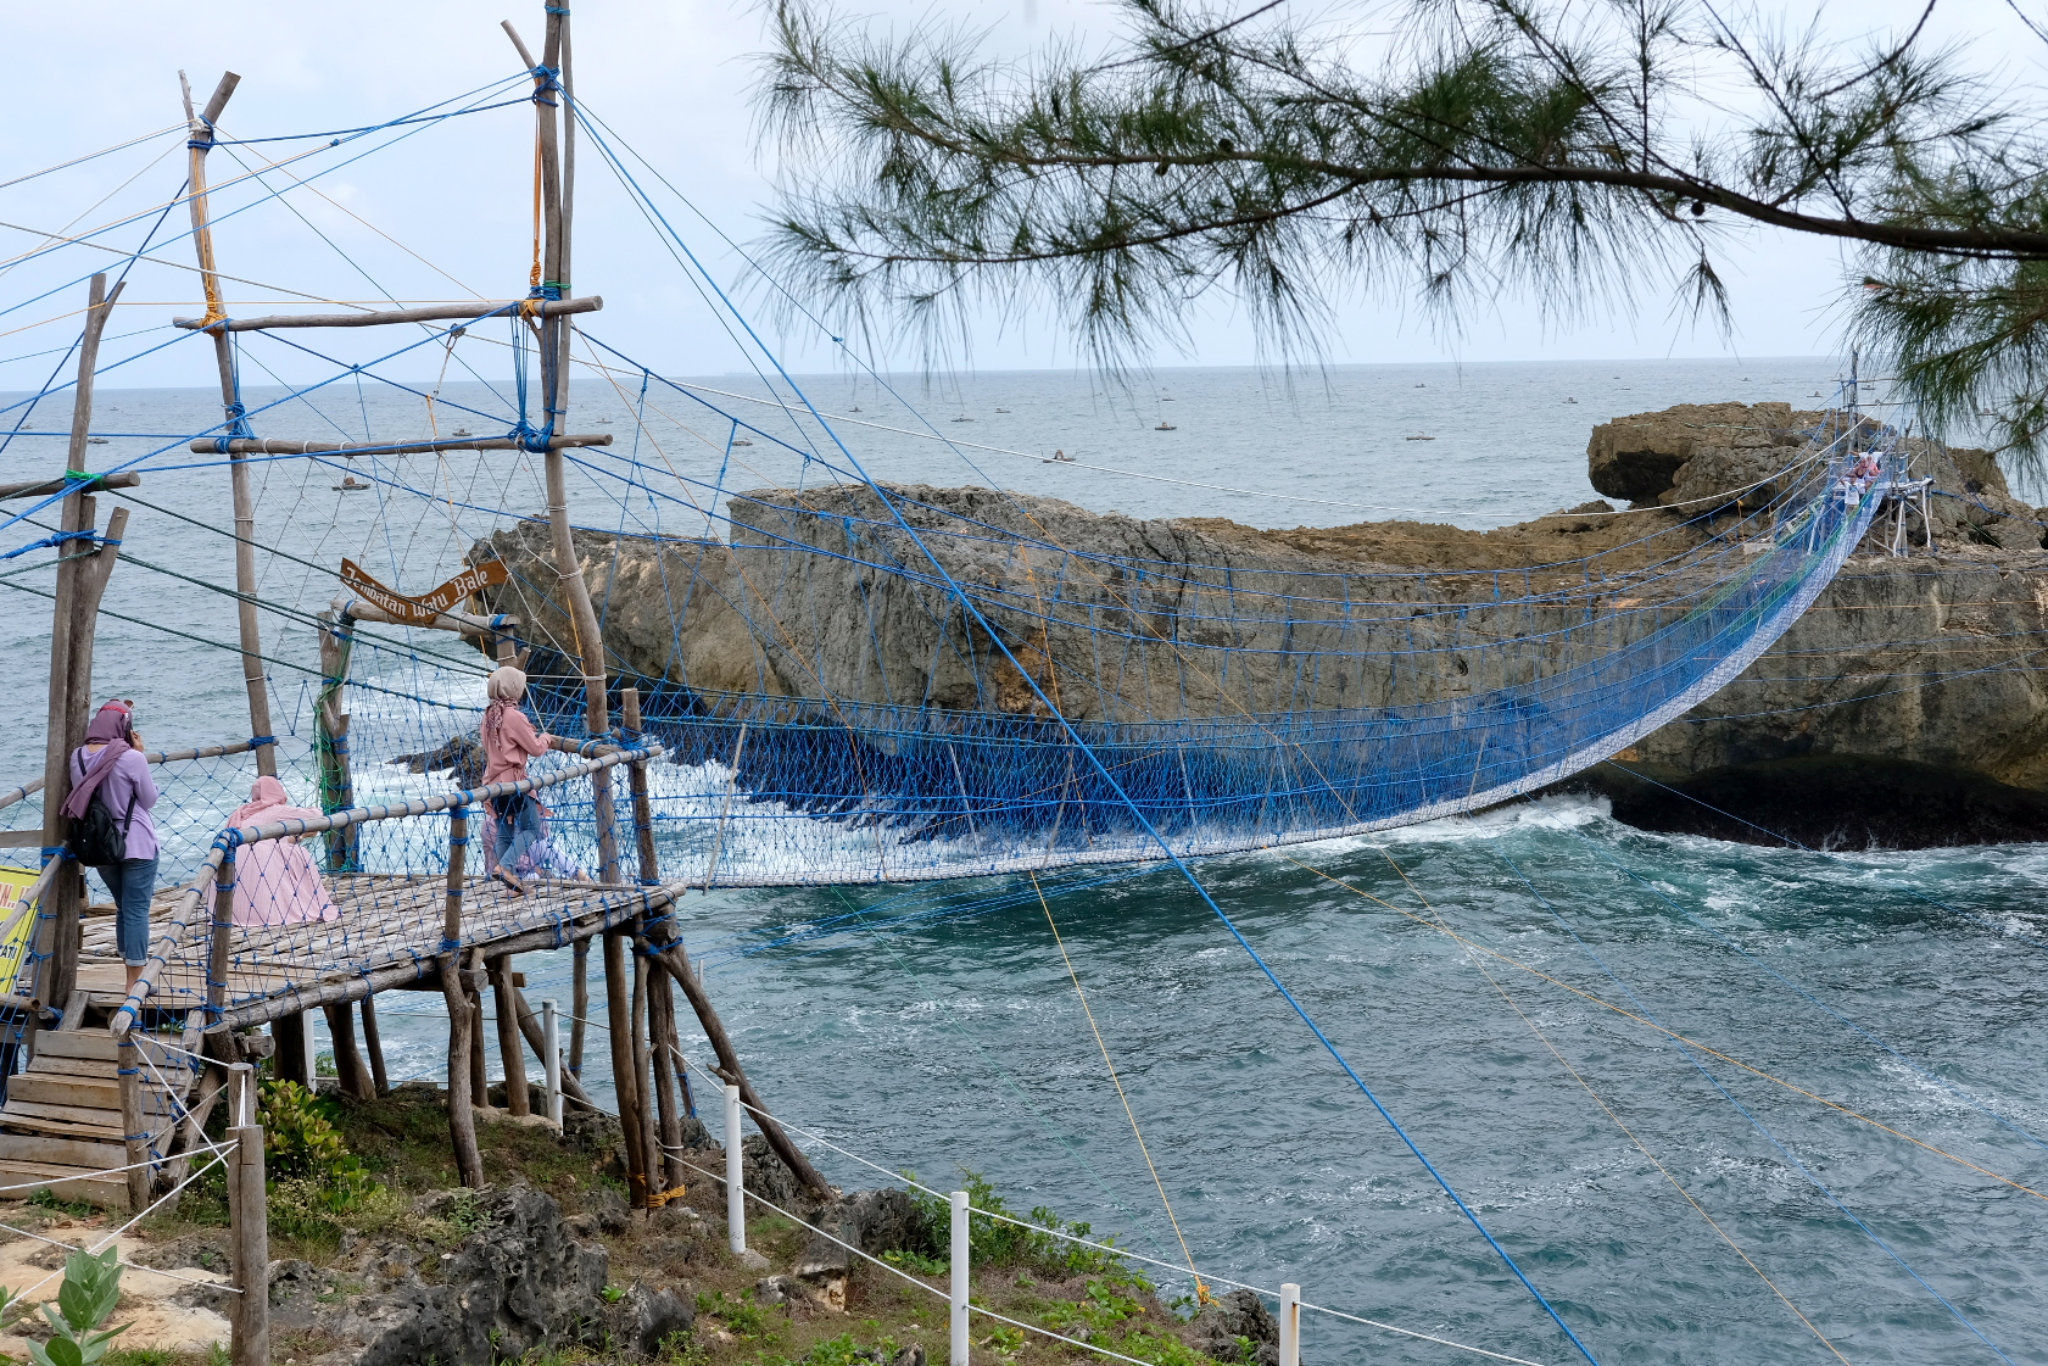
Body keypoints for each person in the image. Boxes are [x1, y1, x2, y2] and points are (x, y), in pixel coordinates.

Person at [62, 700, 157, 993]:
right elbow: (149, 799)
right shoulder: (131, 758)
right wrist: (140, 754)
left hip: (99, 845)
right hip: (137, 843)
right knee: (137, 910)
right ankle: (135, 982)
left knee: (123, 907)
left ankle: (129, 970)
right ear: (124, 727)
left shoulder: (77, 758)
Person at [220, 776, 340, 927]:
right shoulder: (276, 810)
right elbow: (315, 816)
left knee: (286, 845)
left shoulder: (243, 813)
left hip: (231, 872)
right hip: (261, 864)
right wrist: (313, 810)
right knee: (299, 852)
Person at [482, 666, 551, 896]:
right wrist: (546, 738)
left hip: (492, 784)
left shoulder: (488, 715)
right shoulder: (514, 716)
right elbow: (536, 748)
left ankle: (508, 880)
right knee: (532, 828)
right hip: (515, 785)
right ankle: (505, 867)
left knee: (504, 832)